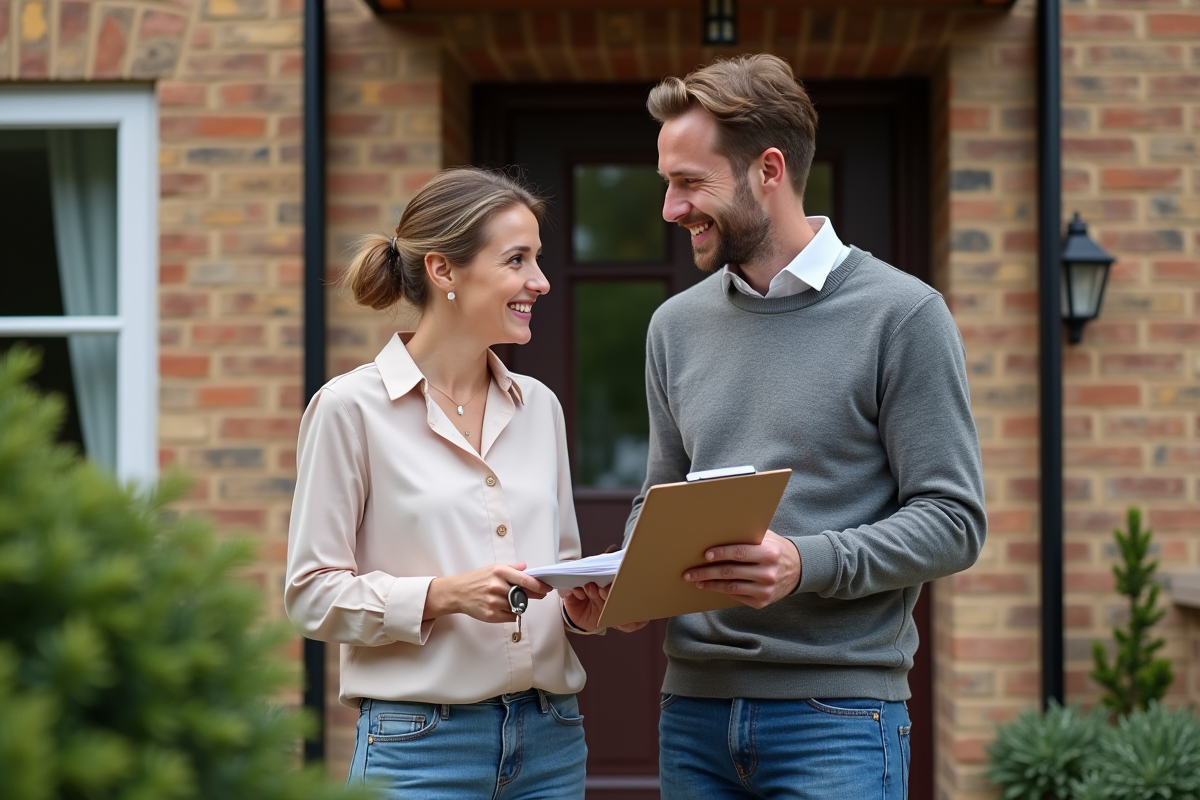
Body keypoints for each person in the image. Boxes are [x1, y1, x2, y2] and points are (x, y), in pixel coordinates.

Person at [621, 55, 986, 798]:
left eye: (689, 182)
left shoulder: (903, 316)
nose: (670, 208)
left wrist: (803, 561)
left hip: (839, 717)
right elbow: (658, 498)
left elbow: (953, 522)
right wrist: (627, 584)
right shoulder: (674, 327)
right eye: (667, 182)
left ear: (769, 170)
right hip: (693, 714)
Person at [284, 167, 613, 799]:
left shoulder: (539, 406)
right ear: (443, 271)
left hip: (551, 740)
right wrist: (443, 595)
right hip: (420, 749)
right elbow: (311, 596)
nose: (540, 281)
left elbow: (559, 572)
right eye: (516, 260)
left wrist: (583, 610)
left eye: (537, 259)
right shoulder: (350, 409)